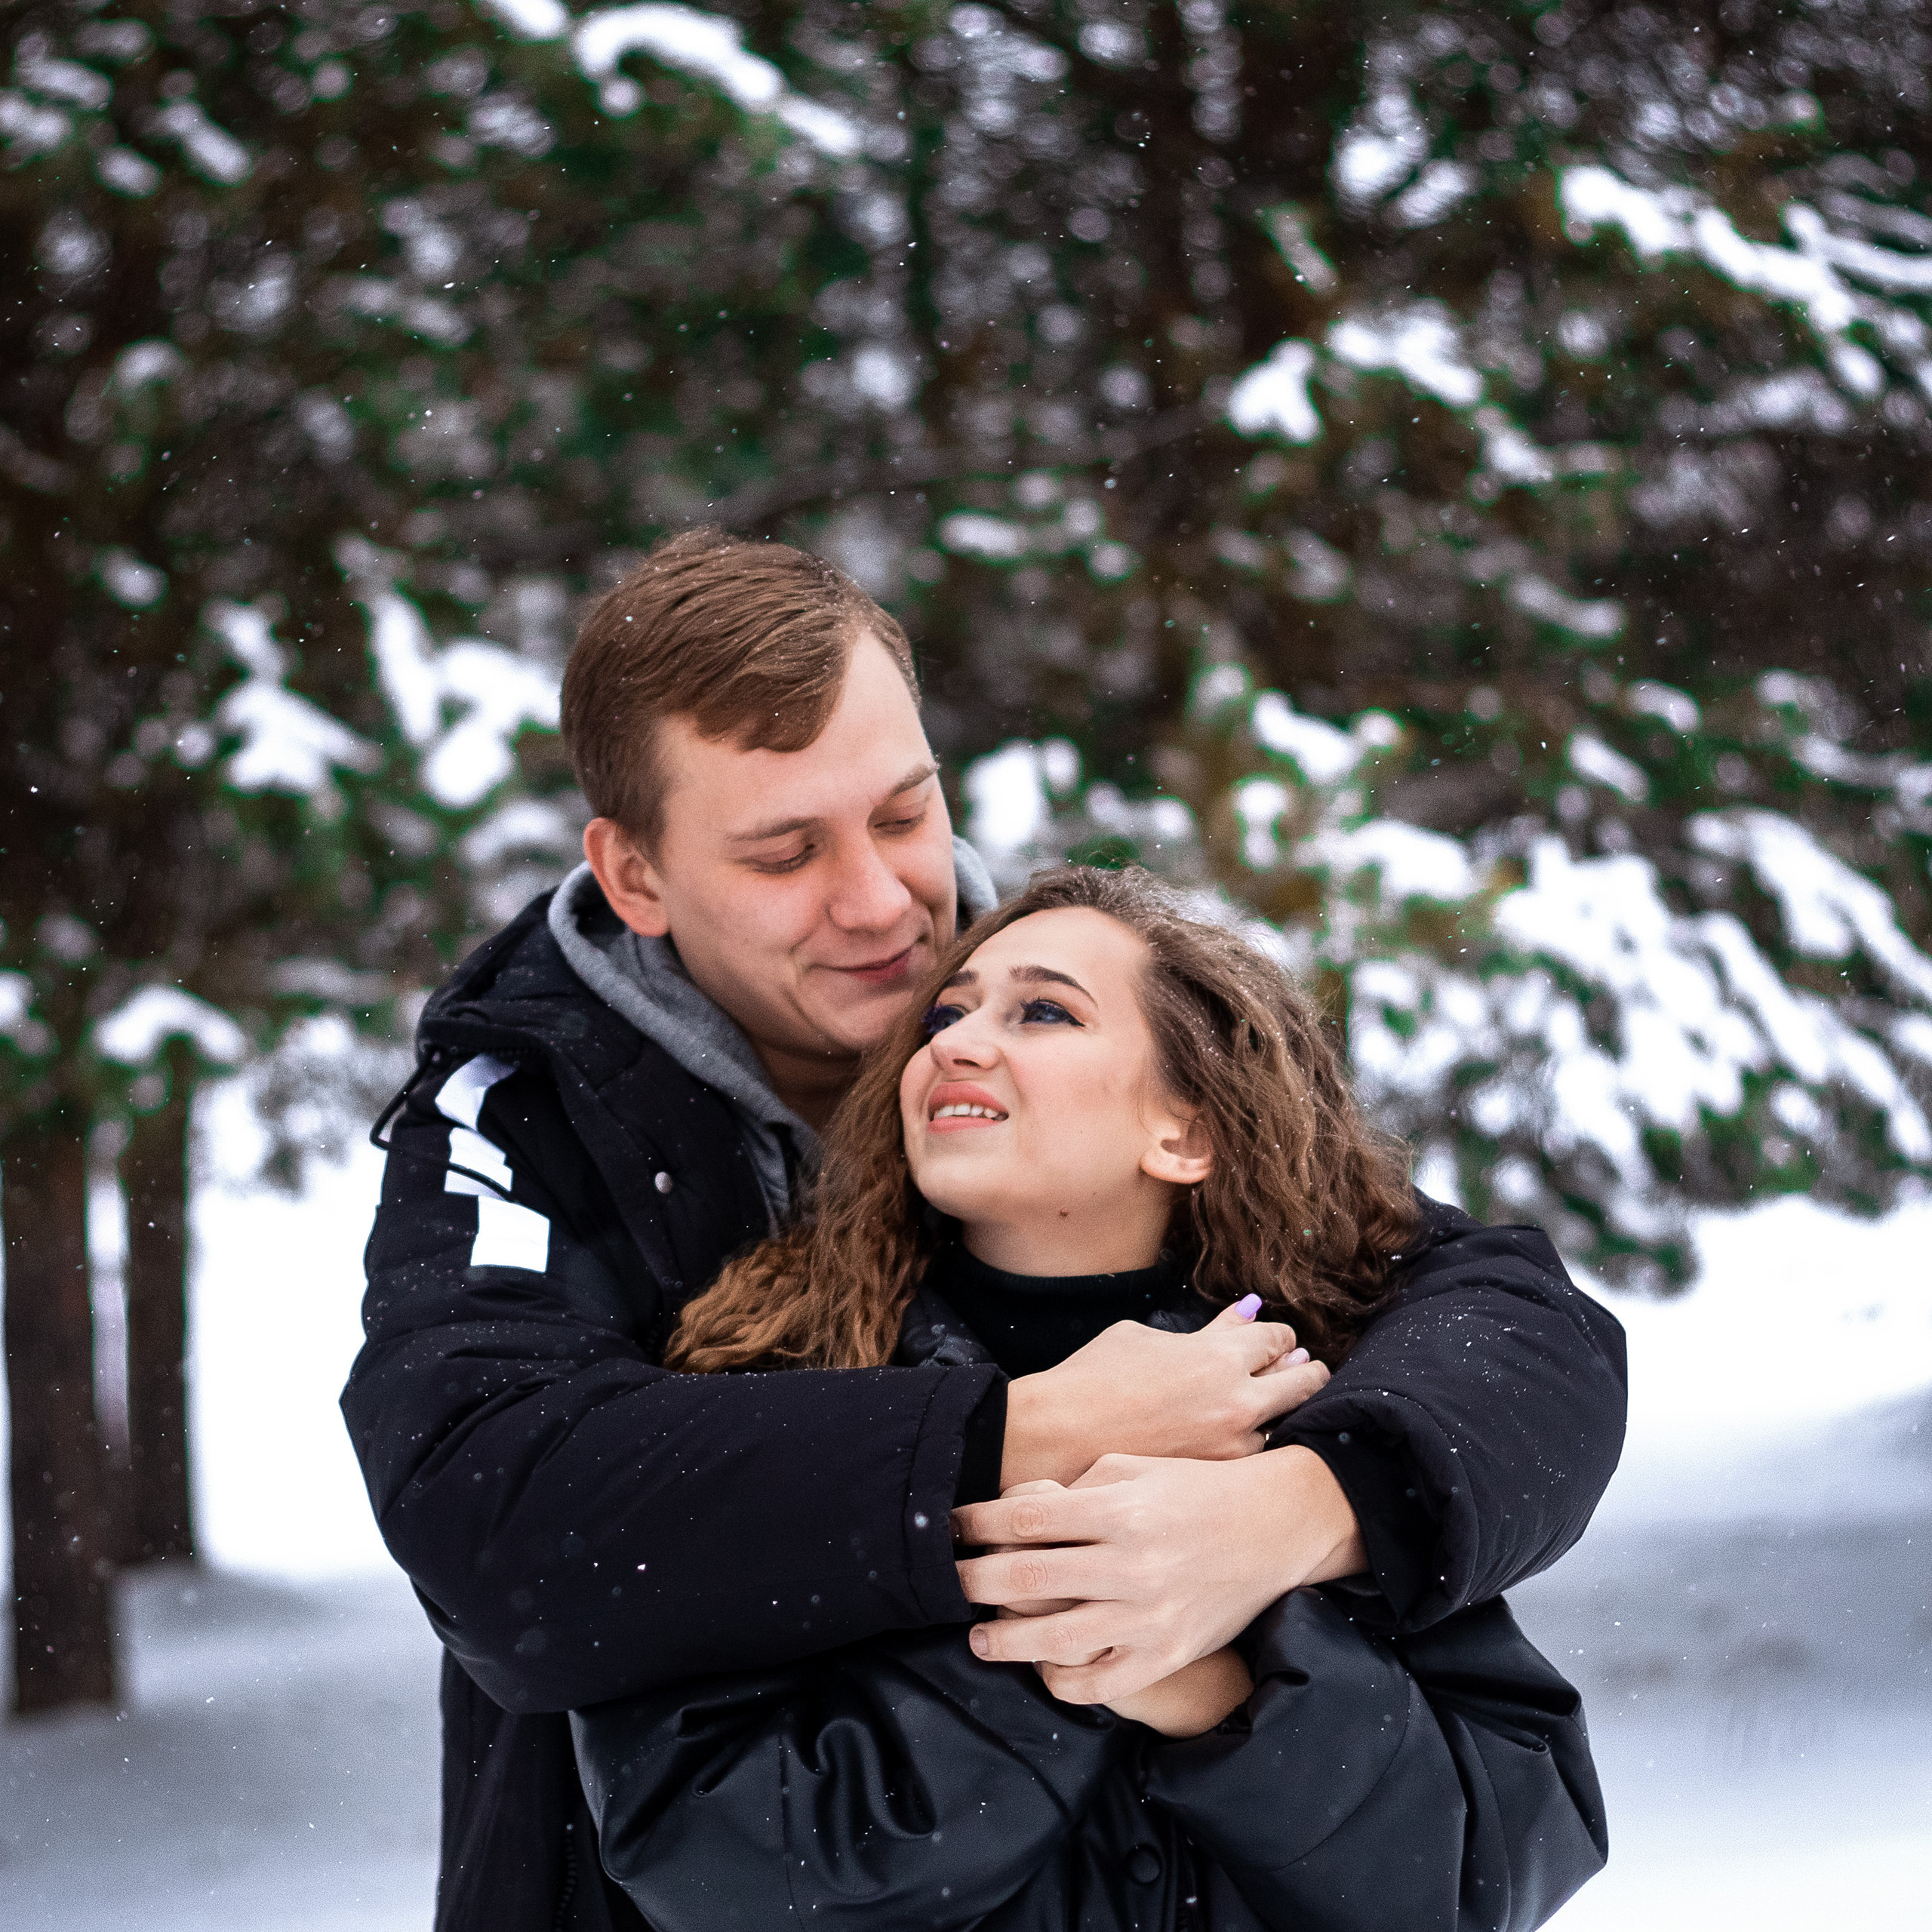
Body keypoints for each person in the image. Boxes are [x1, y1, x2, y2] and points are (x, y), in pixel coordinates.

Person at [340, 530, 1627, 1932]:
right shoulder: (528, 1118)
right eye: (785, 852)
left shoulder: (1134, 1081)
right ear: (636, 876)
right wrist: (1034, 1454)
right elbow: (495, 1516)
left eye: (904, 814)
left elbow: (1503, 1321)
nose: (888, 903)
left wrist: (1292, 1519)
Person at [571, 866, 1608, 1930]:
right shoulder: (775, 1388)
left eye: (1044, 1010)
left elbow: (1486, 1871)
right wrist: (1083, 1640)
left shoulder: (1325, 1398)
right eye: (948, 1012)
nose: (957, 1041)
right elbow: (707, 1857)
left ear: (1186, 1132)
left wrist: (1235, 1691)